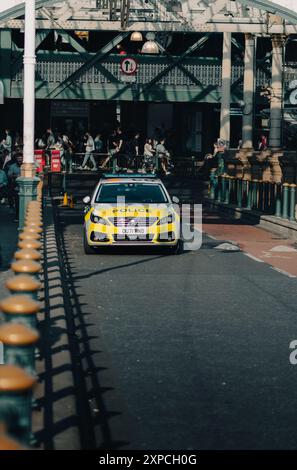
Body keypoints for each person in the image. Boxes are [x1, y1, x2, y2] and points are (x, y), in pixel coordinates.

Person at [7, 153, 23, 221]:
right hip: (16, 185)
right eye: (18, 159)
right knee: (17, 202)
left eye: (21, 159)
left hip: (25, 185)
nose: (20, 160)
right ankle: (17, 216)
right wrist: (16, 176)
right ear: (16, 159)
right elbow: (9, 175)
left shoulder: (26, 165)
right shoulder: (13, 166)